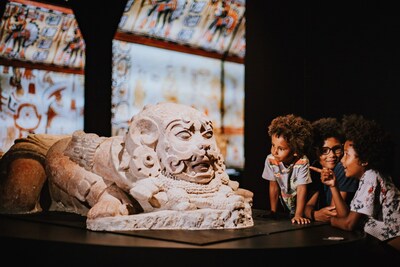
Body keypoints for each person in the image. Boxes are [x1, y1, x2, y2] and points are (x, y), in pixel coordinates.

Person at [0, 102, 254, 230]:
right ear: (149, 139)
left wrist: (221, 193)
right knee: (18, 200)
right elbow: (58, 153)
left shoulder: (182, 170)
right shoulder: (118, 157)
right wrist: (104, 194)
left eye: (206, 135)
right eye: (185, 135)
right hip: (45, 148)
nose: (204, 146)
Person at [320, 114, 400, 254]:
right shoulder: (368, 177)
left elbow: (348, 224)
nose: (342, 161)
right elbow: (346, 217)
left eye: (347, 155)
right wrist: (333, 186)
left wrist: (331, 221)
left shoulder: (371, 177)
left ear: (364, 159)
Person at [261, 114, 313, 224]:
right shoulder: (271, 159)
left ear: (295, 150)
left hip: (303, 209)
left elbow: (302, 189)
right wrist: (273, 212)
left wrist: (299, 215)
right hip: (286, 210)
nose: (274, 151)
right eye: (273, 145)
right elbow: (273, 186)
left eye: (281, 148)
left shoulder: (302, 162)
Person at [305, 117, 358, 222]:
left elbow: (335, 212)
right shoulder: (316, 167)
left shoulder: (344, 168)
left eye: (337, 149)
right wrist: (314, 214)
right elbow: (308, 206)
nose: (332, 155)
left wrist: (313, 215)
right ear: (315, 151)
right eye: (325, 151)